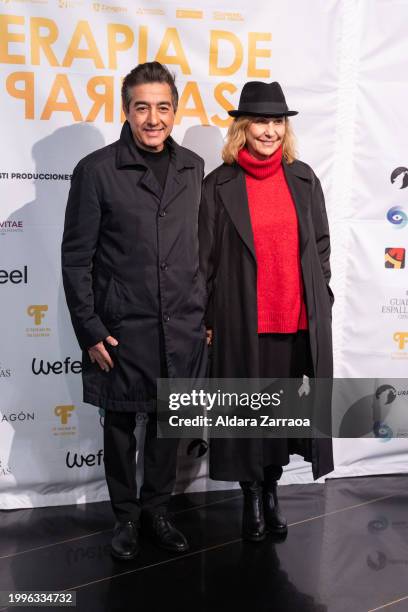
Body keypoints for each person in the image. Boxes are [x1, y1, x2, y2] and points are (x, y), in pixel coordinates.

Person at [62, 62, 207, 560]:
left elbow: (196, 246)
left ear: (175, 110)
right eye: (141, 107)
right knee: (121, 427)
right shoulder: (96, 170)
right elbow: (76, 258)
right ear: (125, 110)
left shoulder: (193, 166)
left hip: (182, 325)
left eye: (162, 107)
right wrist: (90, 330)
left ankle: (158, 510)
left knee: (170, 424)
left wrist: (201, 315)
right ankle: (125, 517)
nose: (153, 118)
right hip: (122, 329)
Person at [199, 81, 334, 541]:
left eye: (278, 122)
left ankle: (271, 491)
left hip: (295, 320)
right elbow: (205, 259)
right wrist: (208, 320)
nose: (270, 130)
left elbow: (320, 246)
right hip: (243, 322)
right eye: (261, 121)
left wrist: (323, 299)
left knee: (281, 419)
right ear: (243, 127)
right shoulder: (218, 185)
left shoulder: (303, 177)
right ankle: (251, 498)